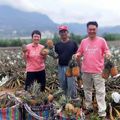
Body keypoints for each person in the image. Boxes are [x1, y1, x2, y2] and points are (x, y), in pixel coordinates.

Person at [74, 21, 111, 119]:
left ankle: (102, 112)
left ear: (97, 29)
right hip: (86, 71)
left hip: (98, 71)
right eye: (90, 29)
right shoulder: (83, 41)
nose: (92, 31)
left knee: (100, 91)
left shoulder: (101, 41)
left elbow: (107, 50)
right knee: (87, 90)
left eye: (93, 29)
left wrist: (108, 54)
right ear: (87, 30)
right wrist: (77, 55)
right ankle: (89, 107)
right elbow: (79, 52)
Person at [55, 25, 78, 100]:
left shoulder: (73, 43)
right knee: (62, 85)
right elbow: (56, 56)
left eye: (64, 31)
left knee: (71, 85)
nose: (63, 33)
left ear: (67, 32)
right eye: (61, 32)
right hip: (61, 67)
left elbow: (77, 55)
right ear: (59, 33)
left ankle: (73, 100)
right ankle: (64, 100)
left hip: (71, 68)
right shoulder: (57, 45)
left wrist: (79, 69)